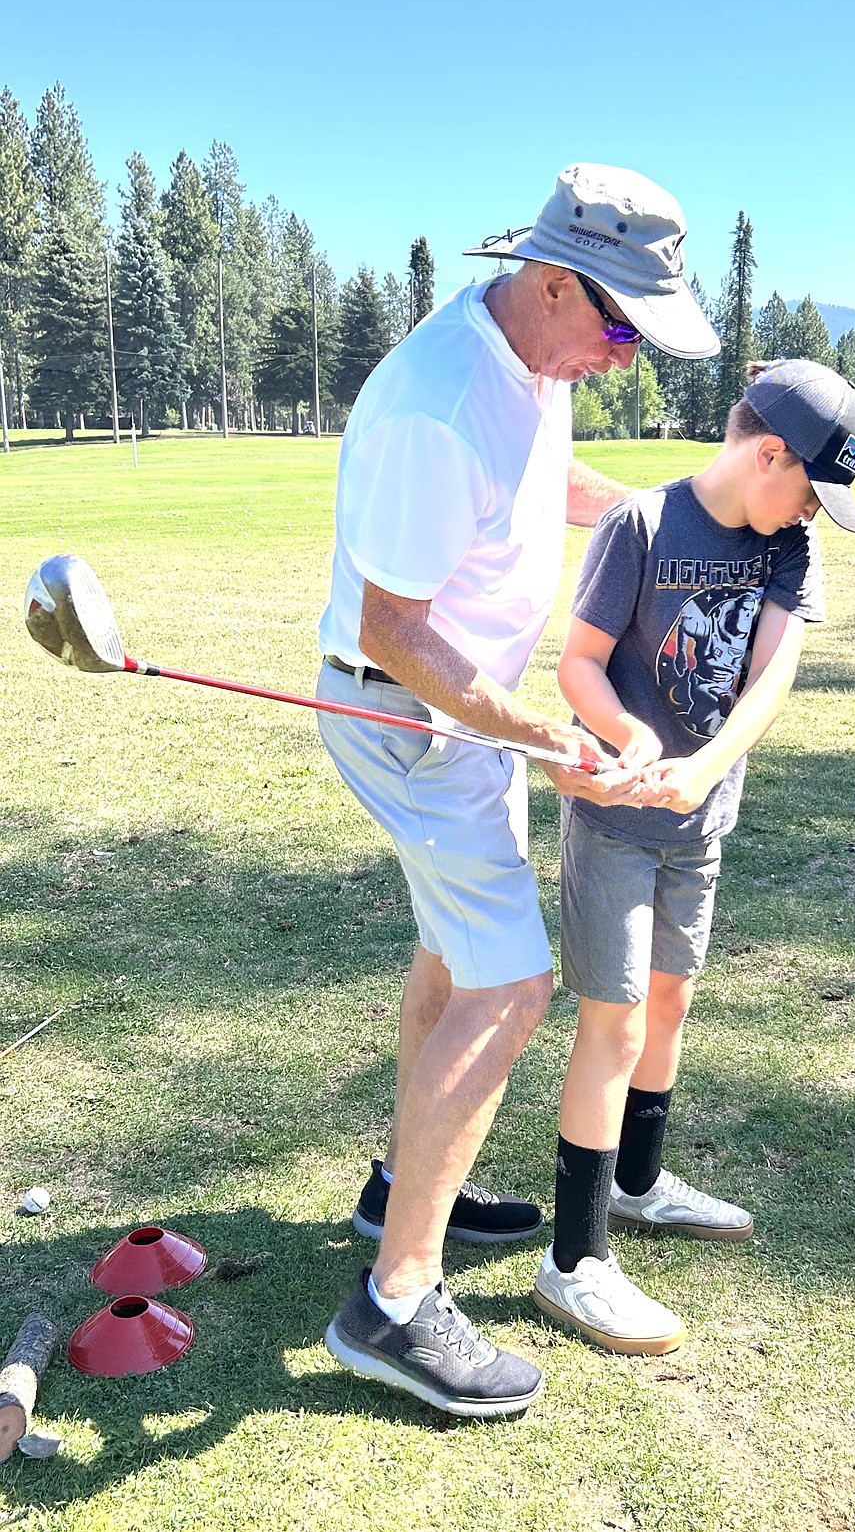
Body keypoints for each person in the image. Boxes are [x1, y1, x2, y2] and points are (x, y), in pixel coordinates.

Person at [315, 163, 718, 1416]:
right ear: (553, 281)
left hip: (463, 724)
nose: (622, 357)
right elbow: (393, 630)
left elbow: (559, 495)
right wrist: (538, 730)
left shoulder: (533, 362)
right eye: (616, 326)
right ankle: (392, 1301)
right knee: (511, 984)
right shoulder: (441, 406)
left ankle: (402, 1183)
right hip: (411, 722)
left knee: (453, 955)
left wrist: (683, 518)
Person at [532, 359, 855, 1354]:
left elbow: (772, 676)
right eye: (808, 486)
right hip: (615, 824)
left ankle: (636, 1184)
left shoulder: (789, 542)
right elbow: (580, 663)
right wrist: (628, 737)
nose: (810, 510)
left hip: (702, 821)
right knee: (615, 1020)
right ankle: (575, 1261)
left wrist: (705, 765)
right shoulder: (639, 527)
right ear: (767, 452)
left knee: (670, 1003)